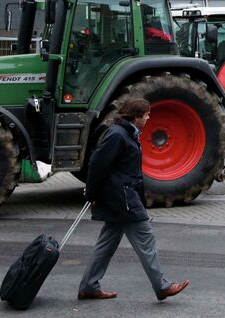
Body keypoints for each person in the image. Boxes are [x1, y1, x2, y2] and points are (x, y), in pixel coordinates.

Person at [79, 97, 189, 301]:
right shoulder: (118, 135)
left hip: (121, 197)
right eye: (146, 114)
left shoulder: (125, 133)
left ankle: (88, 286)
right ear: (136, 117)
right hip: (123, 198)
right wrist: (91, 194)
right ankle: (161, 286)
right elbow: (97, 164)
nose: (149, 118)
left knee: (107, 243)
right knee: (145, 239)